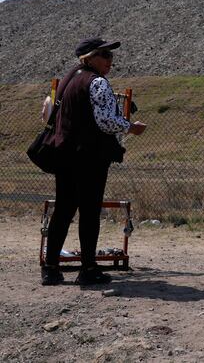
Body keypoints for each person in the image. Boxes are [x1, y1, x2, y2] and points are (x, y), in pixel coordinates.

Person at [41, 37, 147, 286]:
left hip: (65, 154)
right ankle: (88, 268)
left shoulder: (69, 79)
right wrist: (131, 127)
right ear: (90, 58)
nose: (110, 60)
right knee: (89, 211)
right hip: (90, 157)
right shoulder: (97, 82)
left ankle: (51, 268)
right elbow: (106, 121)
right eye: (105, 55)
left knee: (64, 210)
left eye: (110, 55)